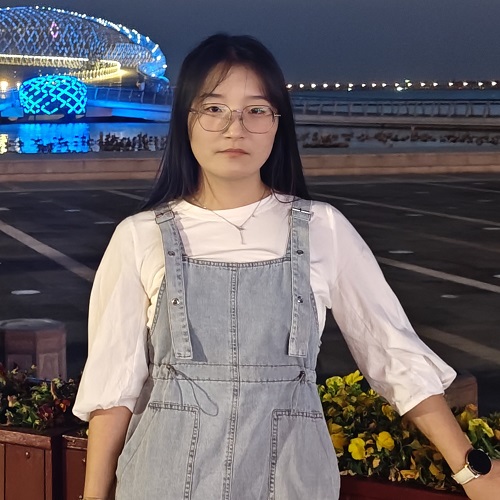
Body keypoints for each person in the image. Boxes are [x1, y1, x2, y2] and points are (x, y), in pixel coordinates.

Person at [73, 34, 499, 500]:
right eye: (214, 108)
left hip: (293, 482)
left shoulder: (323, 228)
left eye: (256, 110)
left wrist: (473, 470)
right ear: (186, 120)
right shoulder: (140, 235)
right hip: (163, 482)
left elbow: (391, 352)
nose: (235, 128)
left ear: (278, 122)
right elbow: (113, 389)